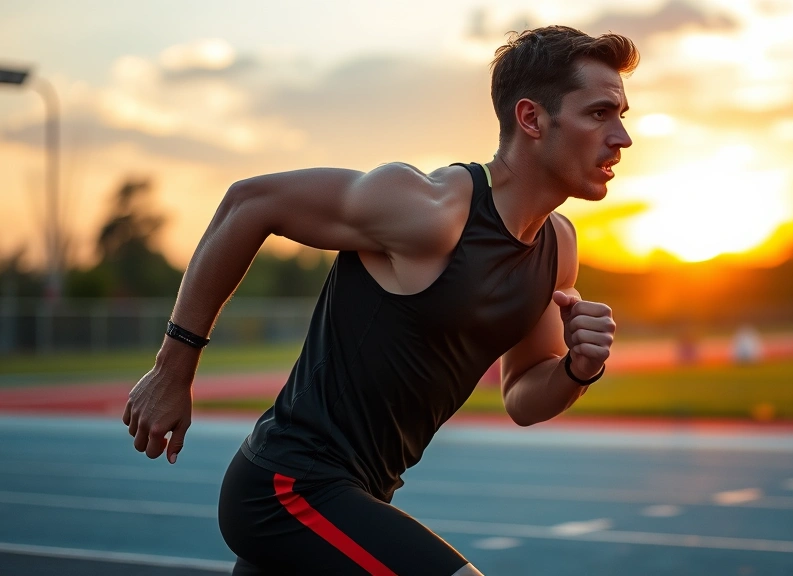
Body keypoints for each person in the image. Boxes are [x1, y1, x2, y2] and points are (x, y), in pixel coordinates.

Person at [122, 25, 637, 576]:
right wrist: (173, 371)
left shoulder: (557, 246)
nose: (622, 137)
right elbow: (249, 202)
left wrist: (579, 369)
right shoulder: (430, 210)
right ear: (532, 119)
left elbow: (523, 395)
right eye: (599, 113)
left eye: (622, 114)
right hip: (289, 486)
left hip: (358, 496)